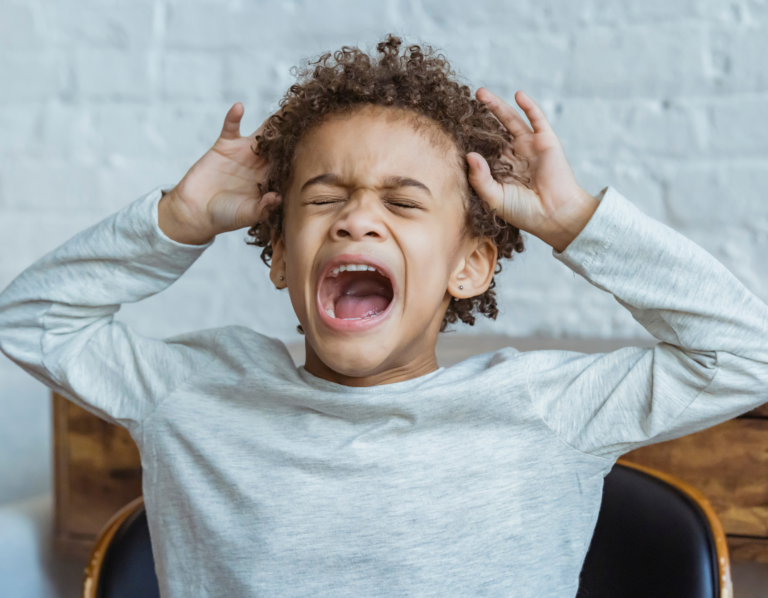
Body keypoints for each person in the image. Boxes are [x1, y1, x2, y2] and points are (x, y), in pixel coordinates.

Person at [1, 34, 766, 598]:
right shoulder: (192, 392)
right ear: (278, 257)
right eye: (325, 198)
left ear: (468, 267)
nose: (357, 220)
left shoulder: (548, 411)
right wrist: (178, 218)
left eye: (402, 203)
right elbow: (27, 321)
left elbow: (747, 357)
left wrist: (575, 221)